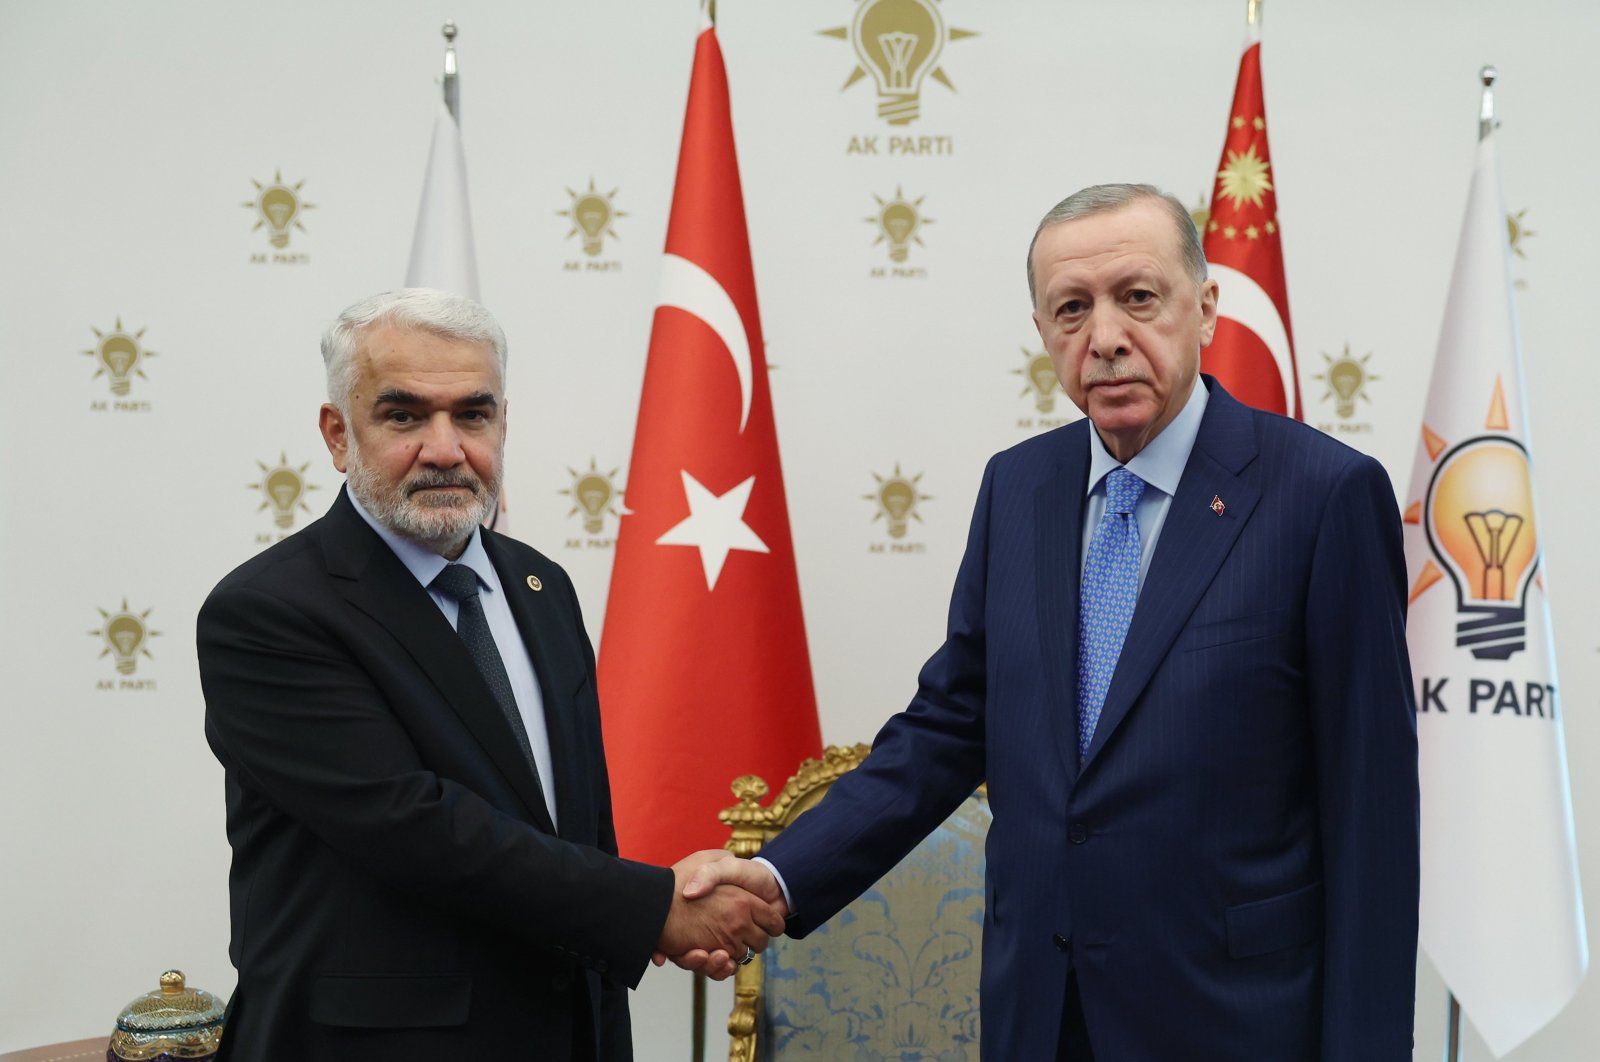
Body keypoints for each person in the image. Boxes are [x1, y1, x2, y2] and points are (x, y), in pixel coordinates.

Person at [684, 185, 1420, 1059]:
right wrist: (775, 876)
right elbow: (949, 727)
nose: (1104, 337)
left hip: (1235, 1022)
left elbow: (1372, 821)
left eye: (1137, 298)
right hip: (1041, 1015)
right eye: (1071, 309)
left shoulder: (1323, 495)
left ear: (1206, 306)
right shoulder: (1018, 488)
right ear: (1042, 332)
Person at [198, 289, 779, 1061]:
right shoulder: (267, 611)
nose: (446, 449)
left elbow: (573, 828)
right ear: (339, 433)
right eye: (404, 416)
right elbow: (416, 827)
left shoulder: (542, 588)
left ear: (502, 422)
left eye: (472, 415)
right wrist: (654, 907)